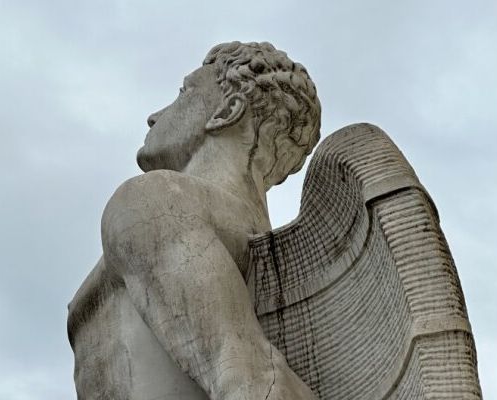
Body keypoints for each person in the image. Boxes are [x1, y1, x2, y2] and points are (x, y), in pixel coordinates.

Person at [68, 41, 321, 400]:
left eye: (184, 92)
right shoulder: (276, 256)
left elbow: (253, 381)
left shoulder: (155, 200)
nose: (155, 116)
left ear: (227, 110)